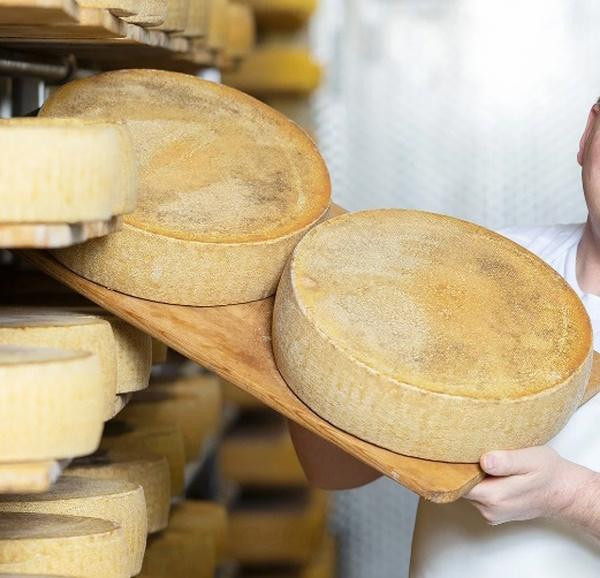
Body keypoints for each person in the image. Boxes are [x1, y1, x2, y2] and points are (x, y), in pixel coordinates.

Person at [289, 99, 600, 576]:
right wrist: (324, 338)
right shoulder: (487, 267)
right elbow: (332, 470)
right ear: (589, 134)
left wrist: (566, 494)